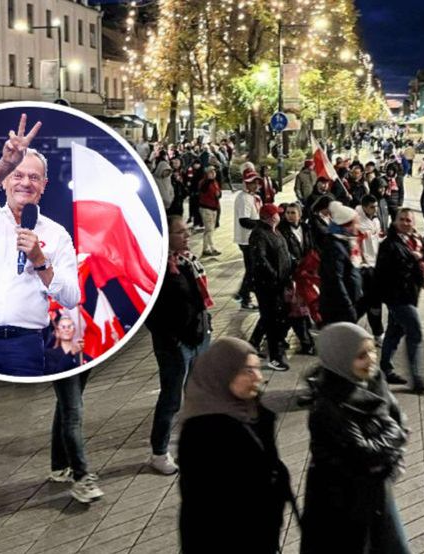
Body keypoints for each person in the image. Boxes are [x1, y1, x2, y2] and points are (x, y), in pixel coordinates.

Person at [0, 114, 80, 377]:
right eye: (17, 175)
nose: (25, 182)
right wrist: (5, 163)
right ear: (6, 181)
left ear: (44, 185)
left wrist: (41, 261)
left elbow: (71, 297)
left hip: (22, 347)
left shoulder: (57, 234)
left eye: (34, 177)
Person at [300, 323, 410, 554]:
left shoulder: (374, 380)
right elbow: (365, 454)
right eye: (361, 355)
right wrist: (393, 434)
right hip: (341, 506)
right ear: (340, 357)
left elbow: (400, 422)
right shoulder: (327, 406)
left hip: (376, 491)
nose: (370, 359)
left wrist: (392, 435)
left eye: (372, 350)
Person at [178, 338, 294, 554]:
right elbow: (209, 508)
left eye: (258, 369)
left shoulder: (253, 413)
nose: (258, 377)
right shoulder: (202, 432)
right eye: (247, 371)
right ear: (224, 373)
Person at [146, 216, 213, 475]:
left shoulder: (187, 261)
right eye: (180, 232)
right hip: (175, 345)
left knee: (197, 394)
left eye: (187, 231)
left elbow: (199, 300)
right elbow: (150, 314)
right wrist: (172, 338)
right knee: (171, 398)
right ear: (167, 236)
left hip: (199, 337)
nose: (186, 236)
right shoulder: (158, 267)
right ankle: (159, 452)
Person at [44, 315, 104, 503]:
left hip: (82, 352)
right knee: (73, 413)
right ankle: (81, 478)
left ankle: (60, 467)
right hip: (60, 357)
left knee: (65, 406)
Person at [376, 208, 424, 392]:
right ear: (395, 222)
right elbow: (383, 272)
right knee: (415, 332)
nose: (405, 223)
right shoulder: (389, 244)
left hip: (411, 294)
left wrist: (422, 256)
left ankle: (385, 368)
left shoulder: (416, 240)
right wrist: (412, 263)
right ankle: (417, 378)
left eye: (408, 220)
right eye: (401, 220)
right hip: (397, 297)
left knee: (394, 332)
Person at [248, 204, 294, 371]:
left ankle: (257, 343)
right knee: (271, 320)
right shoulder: (260, 234)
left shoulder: (275, 231)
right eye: (277, 214)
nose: (279, 216)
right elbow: (260, 260)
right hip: (267, 286)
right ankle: (274, 357)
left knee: (274, 318)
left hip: (279, 283)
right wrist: (275, 275)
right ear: (271, 217)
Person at [278, 203, 316, 355]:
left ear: (300, 214)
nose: (290, 215)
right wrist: (296, 263)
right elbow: (284, 252)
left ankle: (279, 337)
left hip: (305, 274)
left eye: (293, 213)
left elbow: (311, 247)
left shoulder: (306, 229)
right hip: (291, 275)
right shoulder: (282, 230)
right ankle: (306, 342)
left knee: (295, 310)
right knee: (297, 310)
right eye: (288, 213)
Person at [318, 201, 362, 325]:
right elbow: (336, 281)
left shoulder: (344, 242)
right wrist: (348, 307)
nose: (358, 227)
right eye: (356, 223)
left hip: (343, 306)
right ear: (346, 225)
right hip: (338, 309)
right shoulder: (334, 247)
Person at [355, 195, 385, 341]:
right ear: (365, 207)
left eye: (376, 206)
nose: (375, 209)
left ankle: (378, 332)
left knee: (372, 301)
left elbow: (376, 238)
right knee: (369, 301)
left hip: (375, 265)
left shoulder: (375, 220)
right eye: (372, 207)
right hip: (363, 266)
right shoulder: (357, 222)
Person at [233, 176, 263, 310]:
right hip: (247, 239)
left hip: (254, 237)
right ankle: (245, 297)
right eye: (252, 183)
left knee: (252, 269)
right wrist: (261, 225)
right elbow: (244, 221)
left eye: (257, 182)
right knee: (252, 269)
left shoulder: (254, 197)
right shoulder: (243, 198)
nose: (255, 185)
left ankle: (243, 292)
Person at [197, 166, 221, 256]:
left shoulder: (214, 182)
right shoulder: (204, 183)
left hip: (214, 207)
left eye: (214, 172)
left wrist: (219, 194)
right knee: (209, 229)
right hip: (206, 208)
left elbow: (218, 193)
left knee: (209, 230)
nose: (213, 173)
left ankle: (205, 249)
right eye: (211, 172)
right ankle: (212, 247)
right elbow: (203, 191)